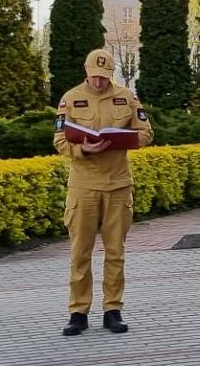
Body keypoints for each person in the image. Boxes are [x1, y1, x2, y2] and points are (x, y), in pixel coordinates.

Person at [54, 48, 155, 336]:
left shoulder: (127, 97)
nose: (100, 82)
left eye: (105, 77)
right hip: (83, 186)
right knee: (80, 252)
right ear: (86, 71)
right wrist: (81, 148)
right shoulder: (70, 99)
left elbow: (146, 132)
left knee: (115, 252)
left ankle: (113, 309)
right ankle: (78, 311)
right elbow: (59, 140)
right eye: (95, 77)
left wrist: (122, 140)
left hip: (118, 184)